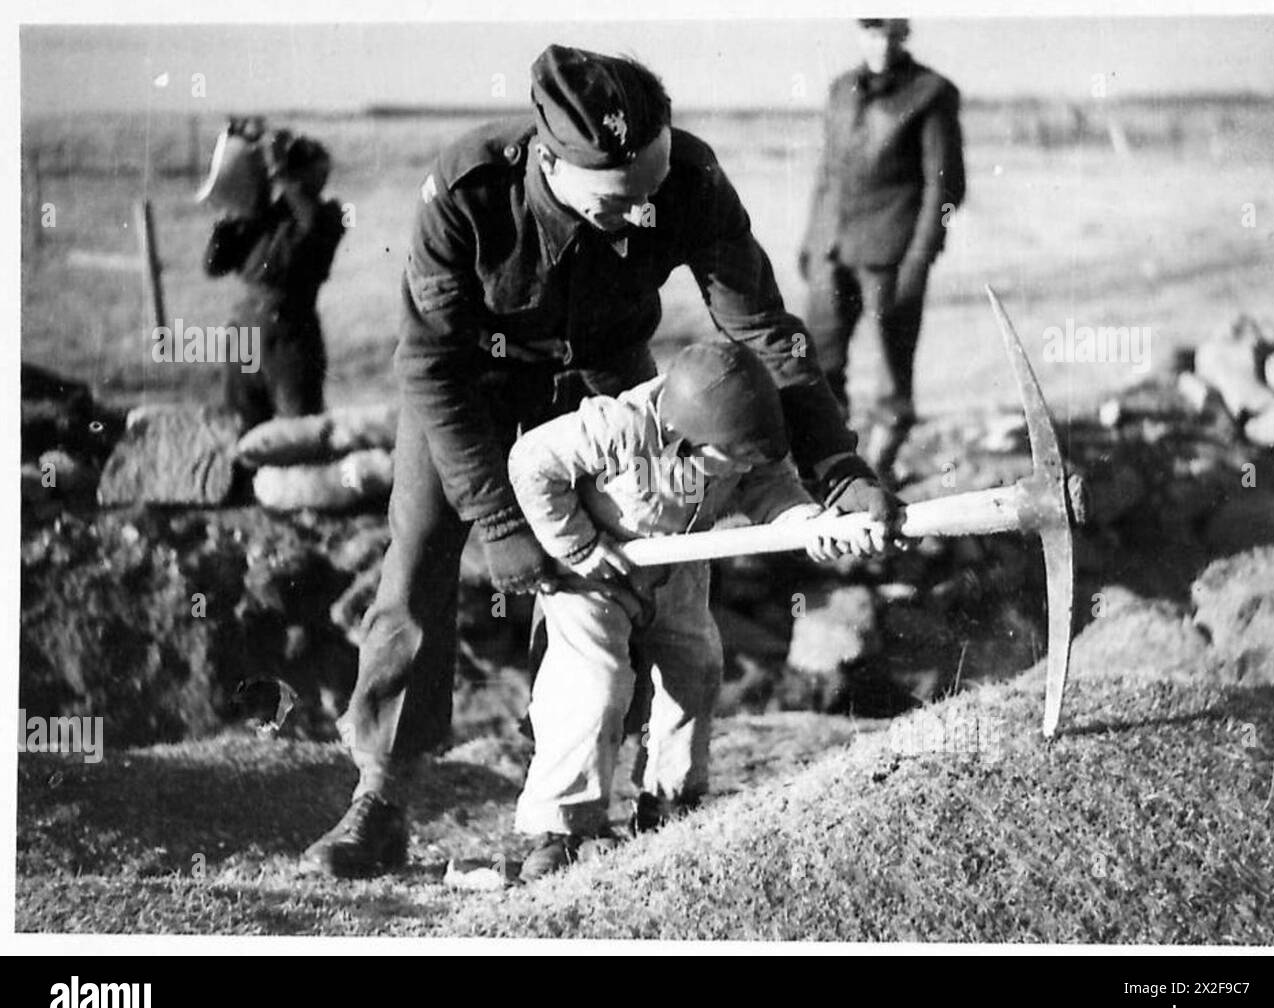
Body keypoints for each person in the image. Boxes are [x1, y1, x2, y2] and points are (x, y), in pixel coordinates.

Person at [303, 44, 895, 879]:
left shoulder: (687, 180)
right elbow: (428, 366)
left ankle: (579, 803)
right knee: (420, 558)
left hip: (604, 378)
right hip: (467, 387)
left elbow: (763, 332)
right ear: (551, 162)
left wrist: (837, 467)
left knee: (613, 579)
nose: (639, 216)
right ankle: (381, 798)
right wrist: (501, 522)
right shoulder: (467, 190)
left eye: (648, 195)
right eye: (616, 204)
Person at [507, 338, 886, 880]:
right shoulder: (618, 426)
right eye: (736, 456)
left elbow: (772, 490)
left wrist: (812, 526)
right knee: (594, 686)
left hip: (678, 568)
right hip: (592, 577)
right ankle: (560, 828)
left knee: (698, 669)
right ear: (687, 440)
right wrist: (577, 545)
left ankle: (668, 802)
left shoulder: (741, 438)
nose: (746, 463)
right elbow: (531, 462)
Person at [799, 18, 966, 480]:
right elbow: (826, 171)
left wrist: (920, 258)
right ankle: (834, 468)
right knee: (820, 364)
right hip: (831, 252)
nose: (882, 43)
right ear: (860, 34)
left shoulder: (931, 93)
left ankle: (883, 466)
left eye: (891, 32)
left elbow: (946, 188)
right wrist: (811, 241)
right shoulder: (840, 89)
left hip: (891, 257)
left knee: (893, 374)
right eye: (872, 32)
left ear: (905, 34)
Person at [200, 117, 347, 429]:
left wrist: (280, 171)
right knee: (240, 431)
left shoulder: (328, 216)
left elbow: (309, 225)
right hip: (244, 333)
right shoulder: (262, 215)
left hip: (290, 336)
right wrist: (230, 214)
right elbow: (213, 265)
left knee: (300, 433)